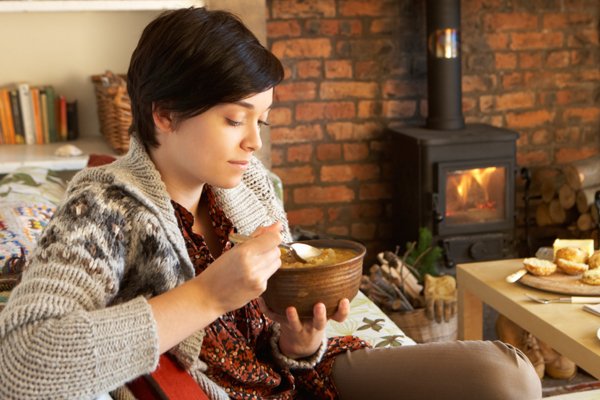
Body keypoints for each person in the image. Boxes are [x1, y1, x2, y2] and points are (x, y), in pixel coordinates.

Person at [0, 7, 542, 400]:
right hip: (230, 393)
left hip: (298, 375)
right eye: (235, 120)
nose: (254, 143)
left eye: (261, 121)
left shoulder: (247, 185)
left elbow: (267, 335)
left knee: (508, 375)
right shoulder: (101, 208)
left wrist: (297, 342)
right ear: (163, 114)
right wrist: (209, 295)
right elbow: (22, 362)